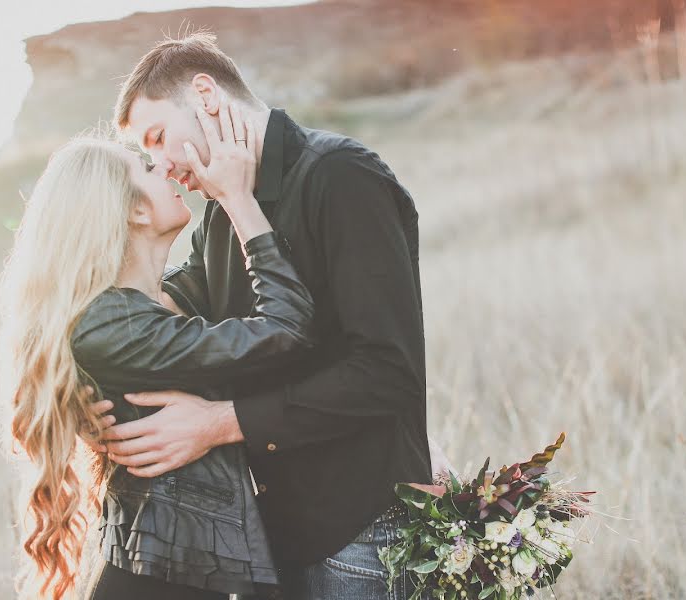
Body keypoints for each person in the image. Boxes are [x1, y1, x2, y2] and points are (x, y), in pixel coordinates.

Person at [98, 31, 452, 599]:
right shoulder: (219, 209)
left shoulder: (342, 177)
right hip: (273, 535)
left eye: (159, 137)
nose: (162, 165)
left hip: (360, 531)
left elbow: (388, 371)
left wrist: (217, 423)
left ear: (207, 95)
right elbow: (181, 302)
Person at [0, 110, 311, 599]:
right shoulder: (113, 324)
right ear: (134, 212)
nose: (163, 169)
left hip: (186, 571)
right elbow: (284, 330)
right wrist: (240, 202)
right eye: (146, 167)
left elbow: (201, 283)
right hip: (164, 580)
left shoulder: (140, 309)